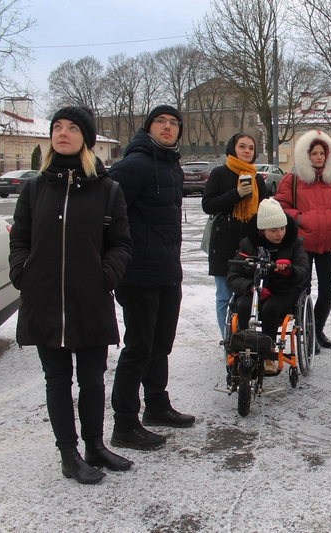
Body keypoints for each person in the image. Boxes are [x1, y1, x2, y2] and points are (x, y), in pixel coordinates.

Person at [9, 106, 133, 484]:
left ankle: (95, 445)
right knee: (57, 380)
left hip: (89, 298)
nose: (63, 132)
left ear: (86, 138)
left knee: (93, 380)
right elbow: (20, 238)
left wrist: (106, 275)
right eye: (57, 127)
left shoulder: (108, 189)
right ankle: (69, 453)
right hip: (45, 300)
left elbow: (121, 243)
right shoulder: (33, 188)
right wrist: (22, 272)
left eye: (72, 128)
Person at [109, 105, 195, 451]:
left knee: (160, 346)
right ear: (148, 127)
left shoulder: (171, 165)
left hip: (166, 271)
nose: (168, 127)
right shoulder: (134, 165)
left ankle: (157, 407)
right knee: (138, 348)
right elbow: (110, 216)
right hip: (138, 273)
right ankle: (124, 424)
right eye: (161, 121)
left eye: (174, 123)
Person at [275, 130, 331, 349]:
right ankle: (304, 333)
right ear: (306, 155)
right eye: (314, 153)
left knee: (326, 291)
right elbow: (282, 206)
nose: (318, 157)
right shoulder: (292, 180)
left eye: (322, 153)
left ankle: (317, 331)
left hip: (326, 243)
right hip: (302, 245)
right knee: (303, 291)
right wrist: (300, 219)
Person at [202, 133, 269, 336]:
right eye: (242, 146)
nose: (247, 151)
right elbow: (208, 204)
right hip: (223, 243)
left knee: (246, 293)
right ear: (233, 149)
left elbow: (264, 211)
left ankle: (242, 337)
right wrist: (237, 194)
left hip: (249, 244)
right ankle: (228, 339)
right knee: (224, 295)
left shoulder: (257, 178)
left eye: (250, 147)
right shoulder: (220, 173)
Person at [226, 199, 310, 345]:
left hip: (283, 292)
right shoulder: (247, 245)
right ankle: (246, 347)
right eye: (274, 230)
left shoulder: (294, 244)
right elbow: (233, 277)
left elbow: (304, 271)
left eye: (282, 228)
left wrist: (289, 271)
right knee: (244, 306)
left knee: (270, 308)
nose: (280, 234)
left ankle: (268, 350)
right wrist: (250, 287)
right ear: (262, 230)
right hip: (253, 290)